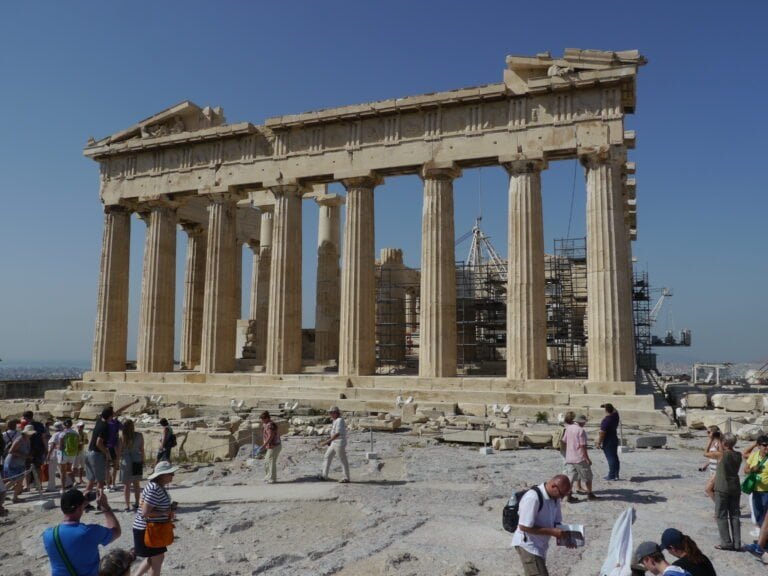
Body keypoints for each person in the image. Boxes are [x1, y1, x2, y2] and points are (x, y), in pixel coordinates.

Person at [42, 488, 121, 576]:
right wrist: (105, 506)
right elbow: (116, 531)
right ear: (80, 508)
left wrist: (82, 502)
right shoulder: (89, 532)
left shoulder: (48, 535)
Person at [511, 474, 579, 576]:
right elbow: (524, 526)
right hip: (529, 546)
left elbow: (556, 522)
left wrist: (567, 538)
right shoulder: (533, 498)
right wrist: (552, 532)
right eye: (561, 494)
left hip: (540, 546)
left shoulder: (555, 498)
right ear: (553, 486)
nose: (562, 497)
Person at [133, 460, 179, 576]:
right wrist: (166, 512)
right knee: (157, 560)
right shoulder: (154, 488)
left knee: (153, 559)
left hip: (151, 529)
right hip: (149, 530)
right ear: (162, 475)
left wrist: (169, 509)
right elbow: (145, 513)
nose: (173, 475)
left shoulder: (157, 486)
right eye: (170, 473)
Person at [707, 432, 742, 551]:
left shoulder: (722, 455)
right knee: (735, 515)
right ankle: (737, 543)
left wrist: (712, 440)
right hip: (735, 487)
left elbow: (706, 454)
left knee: (721, 515)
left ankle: (726, 542)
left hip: (722, 487)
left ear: (724, 443)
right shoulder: (738, 455)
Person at [562, 414, 597, 502]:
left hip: (569, 457)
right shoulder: (581, 430)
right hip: (579, 457)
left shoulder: (568, 428)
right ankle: (590, 494)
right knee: (588, 476)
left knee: (571, 477)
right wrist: (587, 458)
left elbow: (564, 441)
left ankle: (568, 495)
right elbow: (582, 446)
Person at [744, 435, 768, 557]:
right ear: (759, 446)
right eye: (764, 445)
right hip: (756, 491)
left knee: (765, 519)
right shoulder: (754, 455)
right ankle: (763, 541)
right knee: (759, 517)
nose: (767, 447)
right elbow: (745, 470)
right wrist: (752, 469)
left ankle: (761, 544)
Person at [85, 407, 116, 496]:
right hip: (97, 455)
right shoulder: (105, 426)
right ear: (110, 416)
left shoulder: (99, 421)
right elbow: (99, 443)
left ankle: (82, 502)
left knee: (91, 481)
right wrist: (107, 453)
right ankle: (100, 502)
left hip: (89, 453)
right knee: (100, 481)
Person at [3, 424, 37, 503]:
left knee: (17, 481)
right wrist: (25, 456)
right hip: (13, 463)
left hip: (20, 463)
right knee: (15, 480)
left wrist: (28, 456)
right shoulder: (19, 440)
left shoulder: (27, 440)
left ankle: (14, 497)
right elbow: (11, 451)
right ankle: (9, 495)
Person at [120, 419, 145, 512]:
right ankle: (137, 503)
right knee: (136, 484)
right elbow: (142, 449)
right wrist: (143, 459)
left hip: (126, 460)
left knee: (126, 485)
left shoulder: (122, 437)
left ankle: (127, 505)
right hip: (137, 459)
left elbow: (119, 450)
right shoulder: (139, 435)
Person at [320, 406, 350, 483]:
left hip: (339, 442)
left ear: (336, 413)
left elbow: (337, 434)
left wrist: (327, 441)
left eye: (332, 413)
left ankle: (346, 477)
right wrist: (330, 441)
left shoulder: (340, 420)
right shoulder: (335, 420)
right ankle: (324, 475)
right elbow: (334, 433)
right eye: (330, 413)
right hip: (334, 442)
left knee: (342, 460)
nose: (330, 414)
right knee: (327, 456)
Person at [21, 410, 47, 494]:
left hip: (28, 449)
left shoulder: (26, 425)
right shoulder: (40, 425)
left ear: (25, 418)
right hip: (39, 448)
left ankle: (26, 486)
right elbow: (43, 437)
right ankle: (39, 485)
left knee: (27, 468)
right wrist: (46, 448)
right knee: (38, 467)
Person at [596, 403, 621, 481]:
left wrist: (598, 442)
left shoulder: (606, 420)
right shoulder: (615, 416)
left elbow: (602, 433)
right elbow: (616, 411)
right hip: (614, 438)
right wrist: (608, 405)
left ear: (606, 410)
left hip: (608, 440)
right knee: (615, 457)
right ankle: (616, 474)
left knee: (610, 458)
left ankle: (611, 475)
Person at [55, 419, 79, 494]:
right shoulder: (75, 433)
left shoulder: (63, 433)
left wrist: (57, 447)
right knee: (69, 469)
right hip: (72, 454)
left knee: (62, 472)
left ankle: (63, 488)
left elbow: (61, 446)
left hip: (64, 454)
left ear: (64, 425)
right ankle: (74, 481)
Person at [258, 411, 282, 484]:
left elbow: (270, 436)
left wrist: (264, 445)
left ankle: (272, 478)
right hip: (271, 446)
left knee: (271, 462)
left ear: (267, 418)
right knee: (266, 461)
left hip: (274, 446)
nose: (262, 420)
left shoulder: (270, 425)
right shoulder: (267, 424)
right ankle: (267, 477)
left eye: (263, 419)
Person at [701, 426, 722, 500]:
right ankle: (720, 507)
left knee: (709, 489)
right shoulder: (713, 442)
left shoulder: (719, 443)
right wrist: (707, 464)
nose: (707, 434)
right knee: (713, 490)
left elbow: (719, 455)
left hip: (717, 469)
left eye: (709, 432)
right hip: (712, 468)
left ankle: (720, 507)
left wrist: (710, 440)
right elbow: (712, 455)